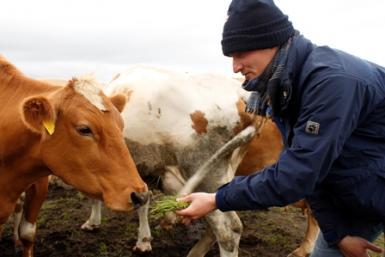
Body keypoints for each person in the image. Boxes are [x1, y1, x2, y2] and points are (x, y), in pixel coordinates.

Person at [176, 0, 385, 256]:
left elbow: (295, 176)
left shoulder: (331, 83)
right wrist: (338, 234)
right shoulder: (284, 88)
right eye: (231, 57)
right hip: (358, 197)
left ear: (271, 42)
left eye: (241, 53)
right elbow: (312, 170)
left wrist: (215, 199)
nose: (235, 67)